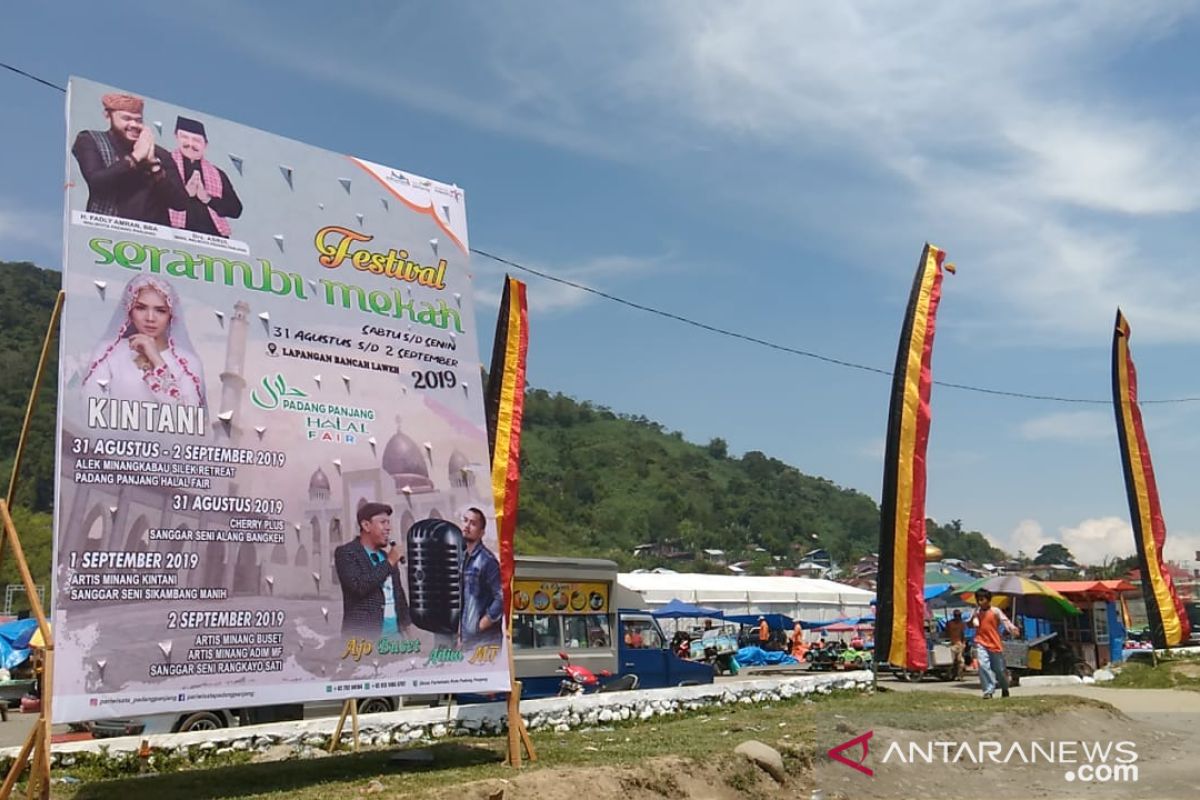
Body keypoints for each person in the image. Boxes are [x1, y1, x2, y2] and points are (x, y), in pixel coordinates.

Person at [81, 274, 206, 407]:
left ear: (171, 315)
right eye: (141, 308)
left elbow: (190, 419)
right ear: (129, 310)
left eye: (160, 310)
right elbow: (90, 408)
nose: (150, 318)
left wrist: (157, 360)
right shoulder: (108, 352)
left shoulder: (188, 363)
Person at [71, 93, 185, 223]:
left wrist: (154, 166)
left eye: (138, 120)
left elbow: (180, 203)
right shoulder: (90, 139)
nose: (134, 124)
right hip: (107, 232)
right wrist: (135, 157)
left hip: (153, 237)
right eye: (126, 118)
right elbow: (96, 182)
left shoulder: (160, 153)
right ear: (108, 116)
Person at [334, 502, 411, 638]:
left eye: (389, 523)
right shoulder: (347, 553)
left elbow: (399, 596)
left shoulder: (386, 556)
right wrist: (390, 562)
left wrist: (407, 630)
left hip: (395, 641)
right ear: (366, 526)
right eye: (383, 522)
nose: (388, 528)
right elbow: (359, 586)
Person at [166, 116, 243, 238]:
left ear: (205, 144)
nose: (190, 144)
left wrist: (207, 198)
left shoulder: (218, 174)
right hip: (174, 235)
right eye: (185, 137)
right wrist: (184, 194)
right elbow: (152, 197)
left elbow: (236, 209)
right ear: (176, 137)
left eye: (196, 140)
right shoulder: (164, 163)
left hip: (213, 240)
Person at [458, 507, 503, 649]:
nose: (467, 526)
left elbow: (501, 597)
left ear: (481, 532)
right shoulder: (462, 558)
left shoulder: (487, 560)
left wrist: (482, 624)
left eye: (473, 523)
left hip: (486, 641)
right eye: (465, 521)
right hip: (467, 640)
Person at [969, 589, 1019, 699]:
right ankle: (988, 691)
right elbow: (970, 624)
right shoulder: (976, 612)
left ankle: (1004, 687)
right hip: (980, 642)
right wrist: (972, 619)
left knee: (999, 670)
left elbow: (1005, 621)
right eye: (978, 600)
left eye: (982, 599)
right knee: (983, 666)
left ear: (988, 600)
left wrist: (1012, 629)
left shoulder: (995, 611)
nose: (980, 602)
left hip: (994, 643)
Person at [945, 609, 967, 680]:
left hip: (958, 643)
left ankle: (960, 675)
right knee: (953, 661)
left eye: (959, 615)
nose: (958, 616)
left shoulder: (961, 623)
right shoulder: (949, 623)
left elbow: (963, 634)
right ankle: (954, 675)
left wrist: (963, 643)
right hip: (952, 643)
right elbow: (947, 632)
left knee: (960, 661)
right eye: (957, 615)